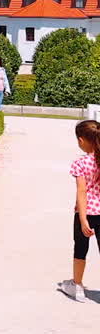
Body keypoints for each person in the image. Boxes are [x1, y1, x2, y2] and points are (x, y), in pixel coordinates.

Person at [60, 120, 100, 302]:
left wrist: (83, 219)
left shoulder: (81, 163)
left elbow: (82, 192)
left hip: (87, 213)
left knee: (81, 250)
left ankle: (77, 286)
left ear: (82, 140)